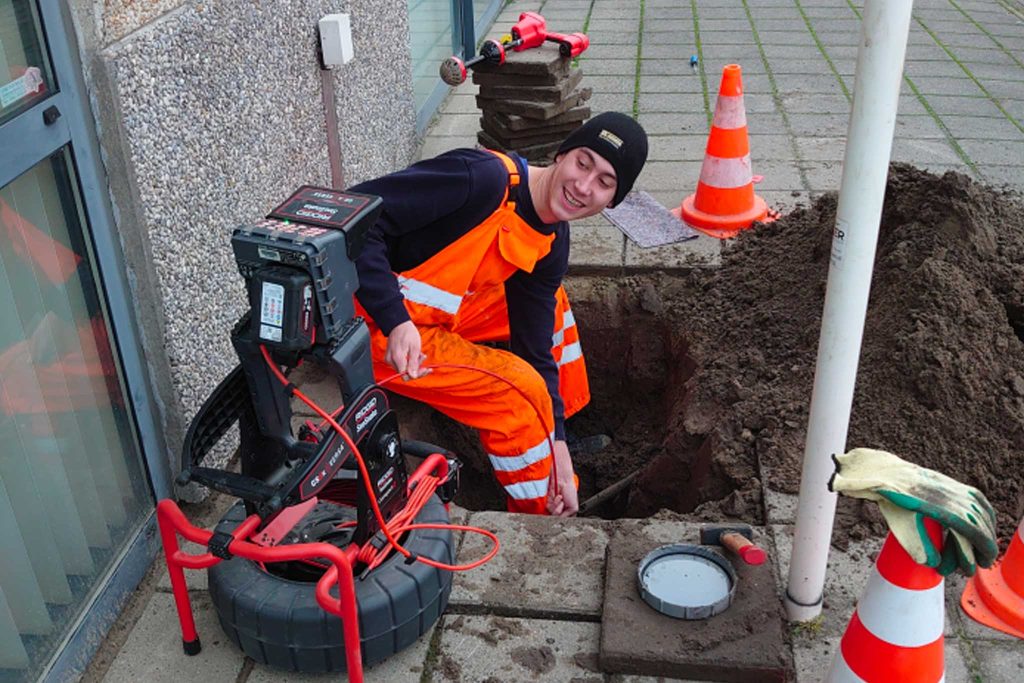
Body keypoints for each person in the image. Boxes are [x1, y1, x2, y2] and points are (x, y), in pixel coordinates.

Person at [350, 112, 648, 517]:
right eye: (583, 162)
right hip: (368, 325)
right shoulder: (481, 180)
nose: (583, 186)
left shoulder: (551, 238)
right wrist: (395, 319)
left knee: (554, 309)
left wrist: (556, 440)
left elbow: (535, 345)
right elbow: (357, 218)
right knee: (515, 390)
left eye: (604, 182)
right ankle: (542, 517)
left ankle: (559, 445)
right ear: (562, 154)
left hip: (432, 316)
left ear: (613, 201)